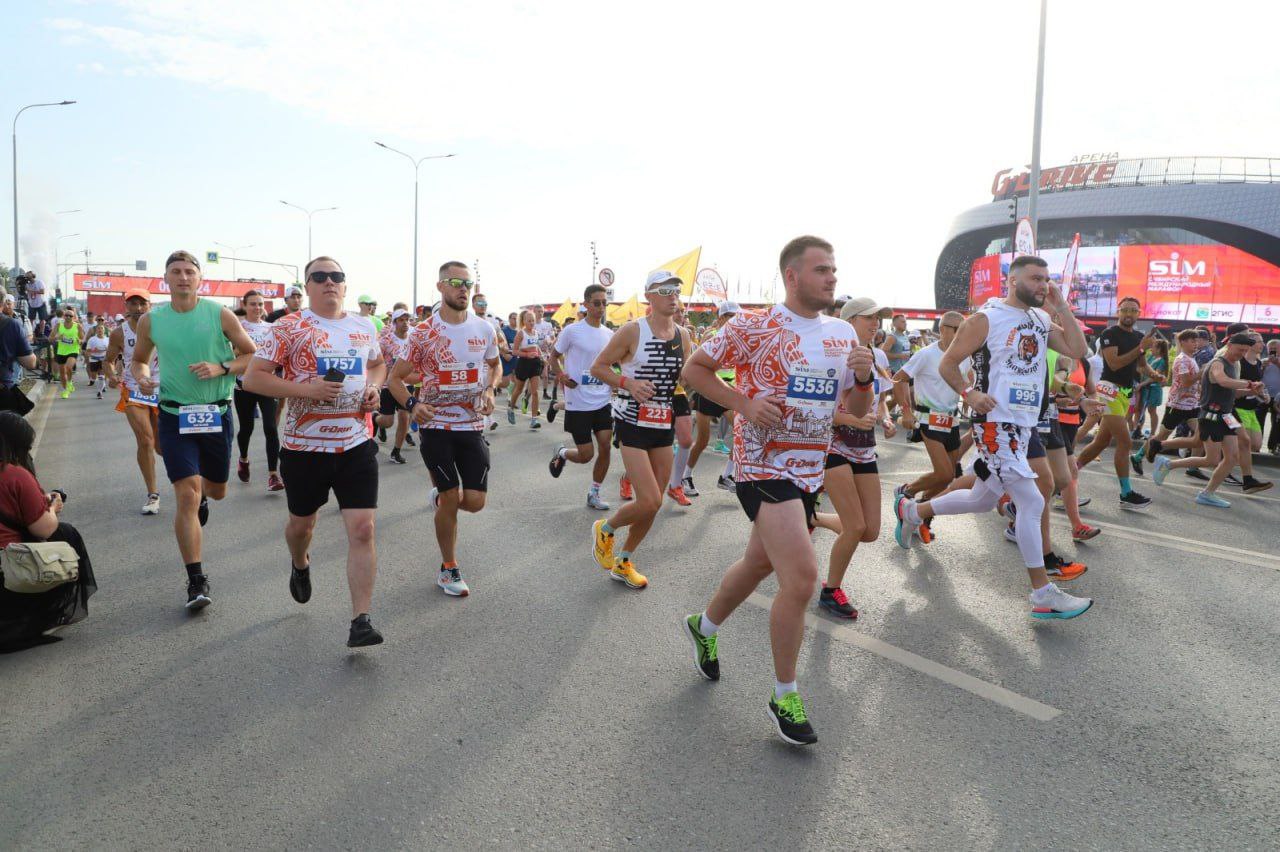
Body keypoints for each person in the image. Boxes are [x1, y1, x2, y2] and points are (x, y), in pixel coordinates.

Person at [680, 235, 874, 746]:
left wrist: (864, 377)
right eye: (822, 270)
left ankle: (704, 624)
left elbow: (853, 406)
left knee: (760, 564)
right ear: (792, 276)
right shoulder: (754, 325)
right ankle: (783, 694)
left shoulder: (840, 332)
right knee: (803, 578)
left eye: (834, 269)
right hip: (762, 465)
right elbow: (693, 370)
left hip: (810, 469)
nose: (832, 278)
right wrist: (741, 405)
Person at [893, 255, 1094, 621]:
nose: (1042, 285)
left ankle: (913, 511)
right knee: (1032, 502)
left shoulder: (1041, 318)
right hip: (994, 423)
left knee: (981, 499)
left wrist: (1061, 305)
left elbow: (1078, 352)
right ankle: (1042, 594)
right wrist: (969, 395)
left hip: (1024, 423)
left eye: (1046, 279)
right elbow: (947, 363)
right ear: (1012, 280)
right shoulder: (987, 318)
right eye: (1035, 278)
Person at [244, 257, 387, 646]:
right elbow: (252, 377)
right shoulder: (288, 327)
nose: (329, 282)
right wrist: (308, 391)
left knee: (363, 528)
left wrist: (375, 388)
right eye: (319, 277)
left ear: (345, 285)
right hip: (305, 448)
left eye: (336, 277)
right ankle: (299, 561)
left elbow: (377, 365)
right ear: (307, 287)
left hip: (356, 442)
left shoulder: (363, 326)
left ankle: (361, 620)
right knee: (302, 526)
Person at [131, 251, 257, 611]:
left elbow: (251, 355)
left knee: (215, 491)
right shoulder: (152, 321)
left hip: (216, 413)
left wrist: (221, 367)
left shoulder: (219, 314)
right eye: (176, 272)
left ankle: (205, 494)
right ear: (165, 280)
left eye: (189, 272)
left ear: (200, 279)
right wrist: (142, 378)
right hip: (174, 415)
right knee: (185, 495)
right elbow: (139, 360)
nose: (183, 277)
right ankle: (196, 581)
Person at [389, 262, 499, 597]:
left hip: (470, 424)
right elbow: (394, 379)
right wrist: (412, 405)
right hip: (435, 423)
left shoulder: (485, 329)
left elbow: (494, 366)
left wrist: (490, 389)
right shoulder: (424, 333)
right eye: (455, 282)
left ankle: (442, 500)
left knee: (476, 502)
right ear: (440, 287)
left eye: (467, 283)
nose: (462, 288)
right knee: (451, 496)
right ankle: (448, 568)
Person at [589, 271, 692, 590]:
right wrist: (628, 382)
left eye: (676, 289)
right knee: (647, 500)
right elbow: (599, 367)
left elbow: (684, 379)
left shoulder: (684, 335)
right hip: (631, 421)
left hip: (663, 423)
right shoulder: (633, 330)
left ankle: (624, 561)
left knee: (655, 502)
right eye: (665, 290)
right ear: (649, 295)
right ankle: (605, 528)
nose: (673, 295)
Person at [813, 296, 890, 619]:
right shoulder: (833, 354)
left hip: (864, 448)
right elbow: (818, 410)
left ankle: (811, 519)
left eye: (878, 319)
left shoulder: (878, 355)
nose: (874, 324)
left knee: (869, 530)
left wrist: (885, 417)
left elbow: (880, 398)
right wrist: (850, 419)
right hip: (833, 446)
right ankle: (831, 591)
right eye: (867, 318)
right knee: (855, 526)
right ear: (848, 322)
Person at [0, 412, 98, 652]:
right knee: (65, 534)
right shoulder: (15, 475)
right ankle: (46, 613)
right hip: (9, 572)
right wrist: (52, 507)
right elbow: (44, 527)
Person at [1154, 333, 1268, 504]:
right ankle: (1168, 464)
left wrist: (1251, 392)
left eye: (1245, 351)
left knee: (1231, 457)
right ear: (1229, 346)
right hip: (1211, 416)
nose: (1241, 354)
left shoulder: (1233, 364)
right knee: (1211, 459)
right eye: (1239, 349)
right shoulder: (1217, 363)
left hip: (1227, 415)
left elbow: (1232, 392)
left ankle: (1207, 493)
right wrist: (1248, 383)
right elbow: (1222, 381)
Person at [1073, 298, 1155, 507]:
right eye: (1125, 310)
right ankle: (1126, 494)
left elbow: (1142, 364)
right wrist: (1140, 348)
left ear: (1139, 313)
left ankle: (1065, 477)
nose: (1128, 314)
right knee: (1125, 442)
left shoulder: (1138, 336)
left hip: (1124, 393)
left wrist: (1155, 374)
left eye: (1133, 310)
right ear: (1118, 312)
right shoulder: (1110, 334)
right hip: (1109, 390)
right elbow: (1115, 363)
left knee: (1100, 442)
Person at [893, 311, 969, 513]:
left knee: (949, 475)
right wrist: (907, 411)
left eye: (963, 330)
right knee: (944, 473)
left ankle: (919, 510)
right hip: (928, 418)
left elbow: (969, 384)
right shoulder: (926, 354)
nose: (961, 334)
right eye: (957, 330)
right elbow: (898, 379)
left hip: (951, 420)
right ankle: (905, 491)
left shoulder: (964, 357)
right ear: (943, 329)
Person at [547, 284, 613, 510]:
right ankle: (563, 453)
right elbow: (553, 357)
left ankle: (594, 492)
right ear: (586, 304)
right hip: (578, 401)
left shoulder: (610, 334)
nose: (601, 307)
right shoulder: (572, 331)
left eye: (605, 303)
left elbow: (611, 366)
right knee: (586, 455)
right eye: (597, 303)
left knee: (605, 446)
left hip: (602, 399)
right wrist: (562, 376)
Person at [104, 289, 162, 514]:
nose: (138, 308)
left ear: (150, 305)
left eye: (142, 304)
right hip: (133, 391)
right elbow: (109, 360)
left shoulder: (162, 328)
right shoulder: (119, 333)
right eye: (133, 304)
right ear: (126, 307)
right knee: (146, 441)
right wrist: (111, 375)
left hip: (161, 391)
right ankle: (153, 494)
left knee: (161, 447)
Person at [681, 301, 740, 495]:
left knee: (741, 435)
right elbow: (696, 365)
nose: (735, 320)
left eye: (737, 316)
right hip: (708, 391)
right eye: (731, 316)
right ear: (721, 318)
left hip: (729, 392)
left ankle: (726, 476)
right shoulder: (711, 336)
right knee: (703, 441)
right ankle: (685, 476)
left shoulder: (741, 339)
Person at [233, 290, 283, 491]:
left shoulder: (271, 328)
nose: (257, 308)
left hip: (266, 384)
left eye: (261, 304)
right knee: (246, 429)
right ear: (244, 306)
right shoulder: (237, 327)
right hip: (244, 385)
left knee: (271, 428)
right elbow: (232, 353)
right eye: (253, 304)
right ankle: (243, 459)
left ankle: (273, 475)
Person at [376, 309, 416, 464]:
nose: (405, 322)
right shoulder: (386, 341)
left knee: (404, 417)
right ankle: (375, 419)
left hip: (406, 384)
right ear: (394, 323)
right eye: (401, 320)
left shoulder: (412, 340)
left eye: (407, 319)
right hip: (388, 384)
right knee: (388, 421)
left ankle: (396, 451)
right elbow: (376, 361)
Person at [507, 309, 544, 427]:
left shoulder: (536, 332)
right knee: (519, 389)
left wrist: (542, 356)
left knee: (535, 392)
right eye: (529, 321)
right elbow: (514, 351)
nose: (532, 323)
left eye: (533, 320)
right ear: (524, 321)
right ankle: (511, 408)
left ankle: (534, 420)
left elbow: (536, 346)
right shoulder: (521, 333)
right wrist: (527, 354)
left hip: (535, 363)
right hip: (523, 363)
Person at [0, 300, 37, 416]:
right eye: (7, 303)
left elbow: (30, 334)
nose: (8, 306)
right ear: (2, 304)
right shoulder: (11, 324)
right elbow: (30, 362)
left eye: (10, 303)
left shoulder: (19, 318)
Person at [52, 306, 84, 399]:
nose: (68, 317)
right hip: (61, 351)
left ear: (73, 317)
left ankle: (69, 382)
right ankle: (65, 390)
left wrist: (79, 341)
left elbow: (82, 339)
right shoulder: (58, 325)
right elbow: (50, 338)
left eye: (70, 316)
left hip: (73, 350)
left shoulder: (77, 326)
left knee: (68, 367)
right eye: (67, 315)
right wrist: (57, 337)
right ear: (63, 316)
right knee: (62, 372)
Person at [84, 323, 109, 398]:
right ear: (96, 331)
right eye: (98, 329)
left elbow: (110, 350)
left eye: (102, 329)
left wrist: (106, 350)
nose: (100, 330)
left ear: (104, 331)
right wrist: (93, 352)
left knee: (101, 376)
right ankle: (92, 380)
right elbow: (87, 351)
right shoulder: (92, 340)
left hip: (103, 359)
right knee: (94, 376)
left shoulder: (107, 339)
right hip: (94, 359)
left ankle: (99, 392)